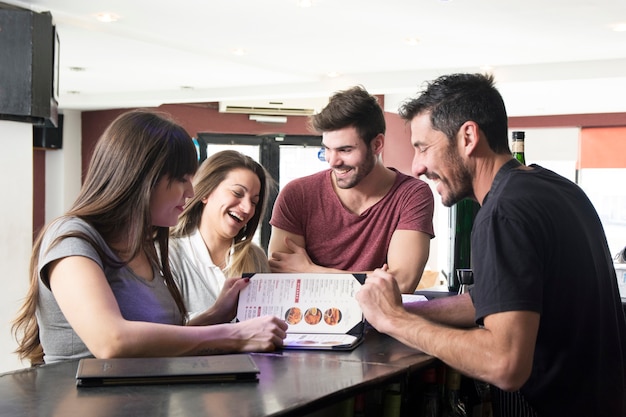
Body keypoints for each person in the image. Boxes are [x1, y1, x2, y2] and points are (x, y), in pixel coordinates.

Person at [356, 73, 626, 416]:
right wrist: (400, 309)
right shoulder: (556, 188)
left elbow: (504, 363)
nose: (417, 166)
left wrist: (395, 320)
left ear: (468, 137)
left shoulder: (502, 212)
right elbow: (497, 299)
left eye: (424, 147)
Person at [12, 110, 287, 365]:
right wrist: (235, 334)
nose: (190, 192)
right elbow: (112, 341)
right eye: (181, 179)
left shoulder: (143, 247)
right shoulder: (72, 238)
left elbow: (160, 342)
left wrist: (216, 315)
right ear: (144, 176)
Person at [268, 85, 435, 293]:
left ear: (377, 145)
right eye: (327, 149)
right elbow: (281, 281)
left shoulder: (412, 194)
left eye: (345, 150)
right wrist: (374, 277)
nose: (333, 161)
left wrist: (311, 271)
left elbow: (401, 283)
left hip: (379, 325)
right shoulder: (297, 195)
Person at [169, 150, 272, 319]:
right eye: (237, 193)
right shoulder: (168, 254)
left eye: (254, 202)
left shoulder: (255, 258)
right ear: (205, 193)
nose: (247, 208)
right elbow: (160, 331)